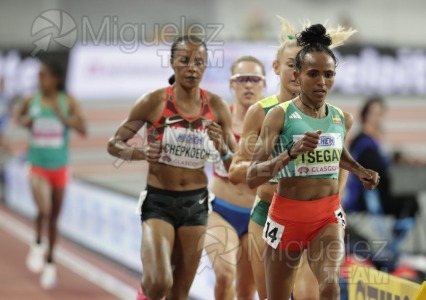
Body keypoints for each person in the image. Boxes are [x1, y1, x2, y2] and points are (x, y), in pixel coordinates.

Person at [246, 24, 379, 300]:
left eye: (328, 75)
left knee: (329, 285)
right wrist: (289, 154)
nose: (321, 82)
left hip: (326, 215)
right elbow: (252, 176)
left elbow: (338, 153)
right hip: (286, 216)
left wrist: (360, 171)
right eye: (313, 74)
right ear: (297, 75)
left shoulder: (342, 118)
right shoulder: (279, 116)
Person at [107, 35, 237, 300]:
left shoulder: (217, 106)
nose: (192, 67)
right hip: (159, 202)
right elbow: (114, 144)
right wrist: (140, 151)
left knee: (179, 293)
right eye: (184, 61)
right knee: (158, 282)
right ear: (172, 63)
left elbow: (233, 167)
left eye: (199, 62)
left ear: (205, 66)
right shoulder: (153, 102)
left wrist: (222, 146)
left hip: (196, 204)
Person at [17, 61, 87, 289]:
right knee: (44, 209)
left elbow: (84, 130)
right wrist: (26, 122)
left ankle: (49, 263)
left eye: (44, 76)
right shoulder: (31, 100)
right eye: (38, 76)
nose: (40, 80)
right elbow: (19, 117)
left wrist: (62, 117)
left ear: (55, 79)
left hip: (60, 167)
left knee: (54, 219)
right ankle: (37, 241)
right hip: (37, 165)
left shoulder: (68, 101)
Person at [203, 56, 265, 300]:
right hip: (220, 210)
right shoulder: (217, 119)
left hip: (256, 216)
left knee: (246, 292)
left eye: (254, 79)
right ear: (231, 84)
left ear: (263, 83)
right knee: (225, 274)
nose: (248, 85)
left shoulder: (274, 122)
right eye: (242, 79)